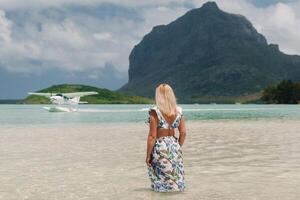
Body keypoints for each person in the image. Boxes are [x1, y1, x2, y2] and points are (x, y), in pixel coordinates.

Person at [146, 83, 186, 192]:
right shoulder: (178, 111)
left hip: (161, 146)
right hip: (174, 145)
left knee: (161, 178)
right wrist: (178, 145)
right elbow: (183, 132)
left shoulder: (155, 111)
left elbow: (152, 136)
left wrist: (148, 155)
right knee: (176, 177)